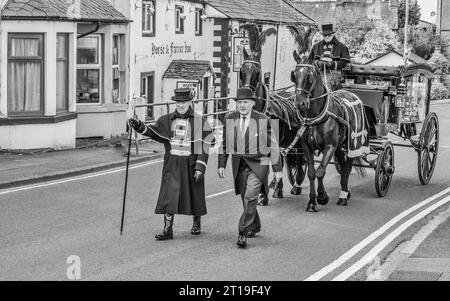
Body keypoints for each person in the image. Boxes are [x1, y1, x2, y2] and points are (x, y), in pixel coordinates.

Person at [129, 88, 214, 240]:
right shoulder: (165, 120)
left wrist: (200, 166)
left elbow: (205, 145)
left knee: (194, 194)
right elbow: (153, 132)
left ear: (190, 102)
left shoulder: (200, 121)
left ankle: (196, 221)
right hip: (171, 163)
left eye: (184, 102)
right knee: (169, 196)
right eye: (178, 102)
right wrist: (138, 125)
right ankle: (168, 229)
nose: (181, 105)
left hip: (191, 162)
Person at [218, 88, 283, 248]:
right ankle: (255, 225)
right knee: (245, 198)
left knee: (251, 197)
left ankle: (242, 231)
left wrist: (277, 169)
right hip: (239, 164)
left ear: (253, 103)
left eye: (245, 102)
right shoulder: (229, 118)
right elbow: (225, 144)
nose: (242, 105)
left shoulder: (263, 119)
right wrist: (221, 164)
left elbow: (272, 145)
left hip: (258, 164)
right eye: (239, 102)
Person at [308, 24, 351, 91]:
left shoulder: (342, 47)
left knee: (325, 85)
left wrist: (331, 64)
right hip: (318, 72)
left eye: (329, 35)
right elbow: (311, 60)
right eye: (325, 35)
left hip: (334, 73)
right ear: (322, 35)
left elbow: (344, 63)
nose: (327, 37)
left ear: (333, 34)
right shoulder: (315, 47)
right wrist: (318, 63)